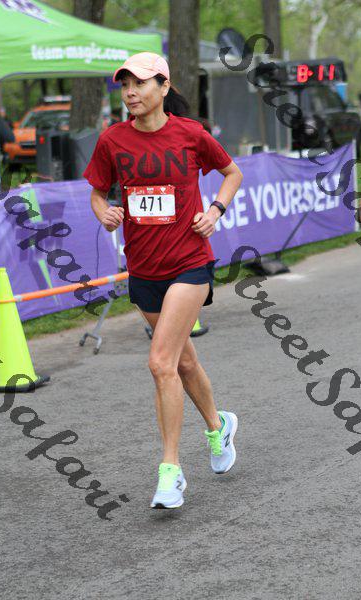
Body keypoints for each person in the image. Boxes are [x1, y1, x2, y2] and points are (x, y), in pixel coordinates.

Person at [83, 52, 244, 509]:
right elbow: (96, 192)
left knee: (159, 363)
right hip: (144, 269)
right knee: (183, 362)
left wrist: (215, 211)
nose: (130, 92)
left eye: (139, 83)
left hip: (189, 263)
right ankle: (219, 427)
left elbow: (232, 173)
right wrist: (104, 212)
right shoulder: (113, 140)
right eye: (124, 85)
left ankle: (170, 472)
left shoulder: (191, 134)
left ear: (164, 86)